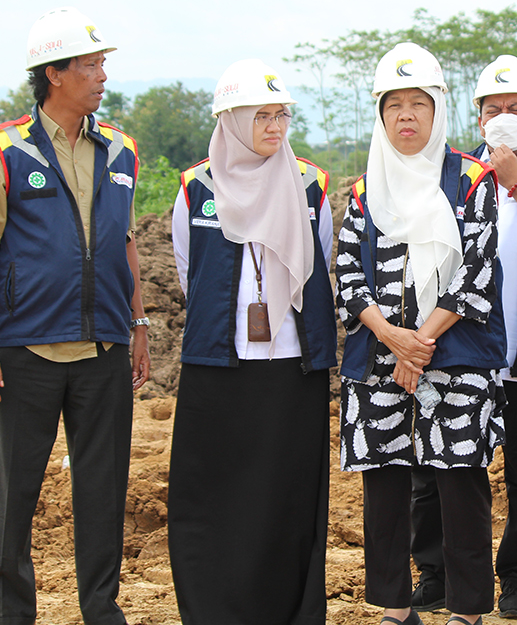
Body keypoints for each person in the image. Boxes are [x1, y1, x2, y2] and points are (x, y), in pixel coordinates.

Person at [0, 6, 150, 625]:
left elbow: (124, 243)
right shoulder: (4, 151)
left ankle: (101, 609)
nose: (102, 75)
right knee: (16, 496)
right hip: (23, 354)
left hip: (103, 352)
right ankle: (11, 616)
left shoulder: (120, 149)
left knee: (102, 492)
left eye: (101, 64)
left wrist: (139, 326)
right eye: (91, 64)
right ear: (54, 74)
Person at [336, 42, 507, 625]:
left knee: (461, 485)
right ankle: (392, 603)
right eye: (394, 105)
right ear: (381, 115)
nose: (406, 116)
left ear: (438, 111)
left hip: (456, 356)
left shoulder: (472, 181)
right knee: (385, 489)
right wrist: (392, 338)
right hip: (381, 357)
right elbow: (347, 275)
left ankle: (467, 608)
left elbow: (478, 272)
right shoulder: (364, 190)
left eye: (418, 104)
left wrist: (420, 342)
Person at [167, 59, 338, 624]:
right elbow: (188, 269)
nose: (274, 126)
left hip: (293, 367)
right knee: (214, 493)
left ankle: (289, 609)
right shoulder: (196, 187)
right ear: (232, 120)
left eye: (281, 114)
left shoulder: (310, 184)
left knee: (287, 496)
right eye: (260, 116)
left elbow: (323, 264)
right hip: (220, 366)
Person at [409, 55, 517, 618]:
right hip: (461, 349)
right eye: (494, 109)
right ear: (477, 118)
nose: (504, 117)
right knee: (442, 467)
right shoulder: (449, 173)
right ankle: (437, 574)